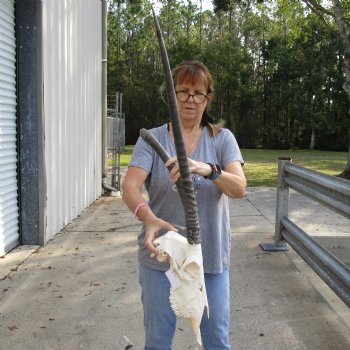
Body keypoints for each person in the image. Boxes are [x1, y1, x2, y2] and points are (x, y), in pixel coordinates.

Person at [122, 60, 247, 350]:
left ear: (208, 97)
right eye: (183, 92)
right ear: (172, 95)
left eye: (198, 93)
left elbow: (239, 188)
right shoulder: (152, 140)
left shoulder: (221, 139)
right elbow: (130, 186)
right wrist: (147, 216)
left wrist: (207, 169)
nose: (191, 99)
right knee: (157, 340)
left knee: (216, 339)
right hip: (161, 257)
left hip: (210, 259)